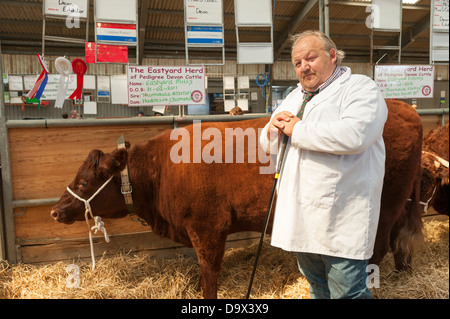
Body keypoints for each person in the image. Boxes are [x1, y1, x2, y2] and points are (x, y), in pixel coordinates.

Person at [259, 30, 388, 299]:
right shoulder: (294, 97)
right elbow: (269, 146)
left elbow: (355, 135)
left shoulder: (360, 88)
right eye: (297, 63)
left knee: (347, 293)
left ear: (332, 55)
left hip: (341, 215)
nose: (304, 67)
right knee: (317, 287)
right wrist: (273, 129)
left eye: (310, 58)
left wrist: (298, 129)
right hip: (302, 216)